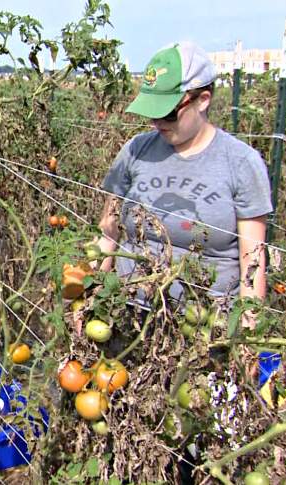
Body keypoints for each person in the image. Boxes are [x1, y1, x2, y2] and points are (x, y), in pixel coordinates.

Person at [98, 42, 272, 318]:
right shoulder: (135, 149)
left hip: (202, 331)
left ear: (203, 100)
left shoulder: (240, 163)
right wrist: (90, 299)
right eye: (152, 114)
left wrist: (247, 341)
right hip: (125, 315)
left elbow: (252, 261)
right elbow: (108, 233)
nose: (157, 123)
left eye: (167, 113)